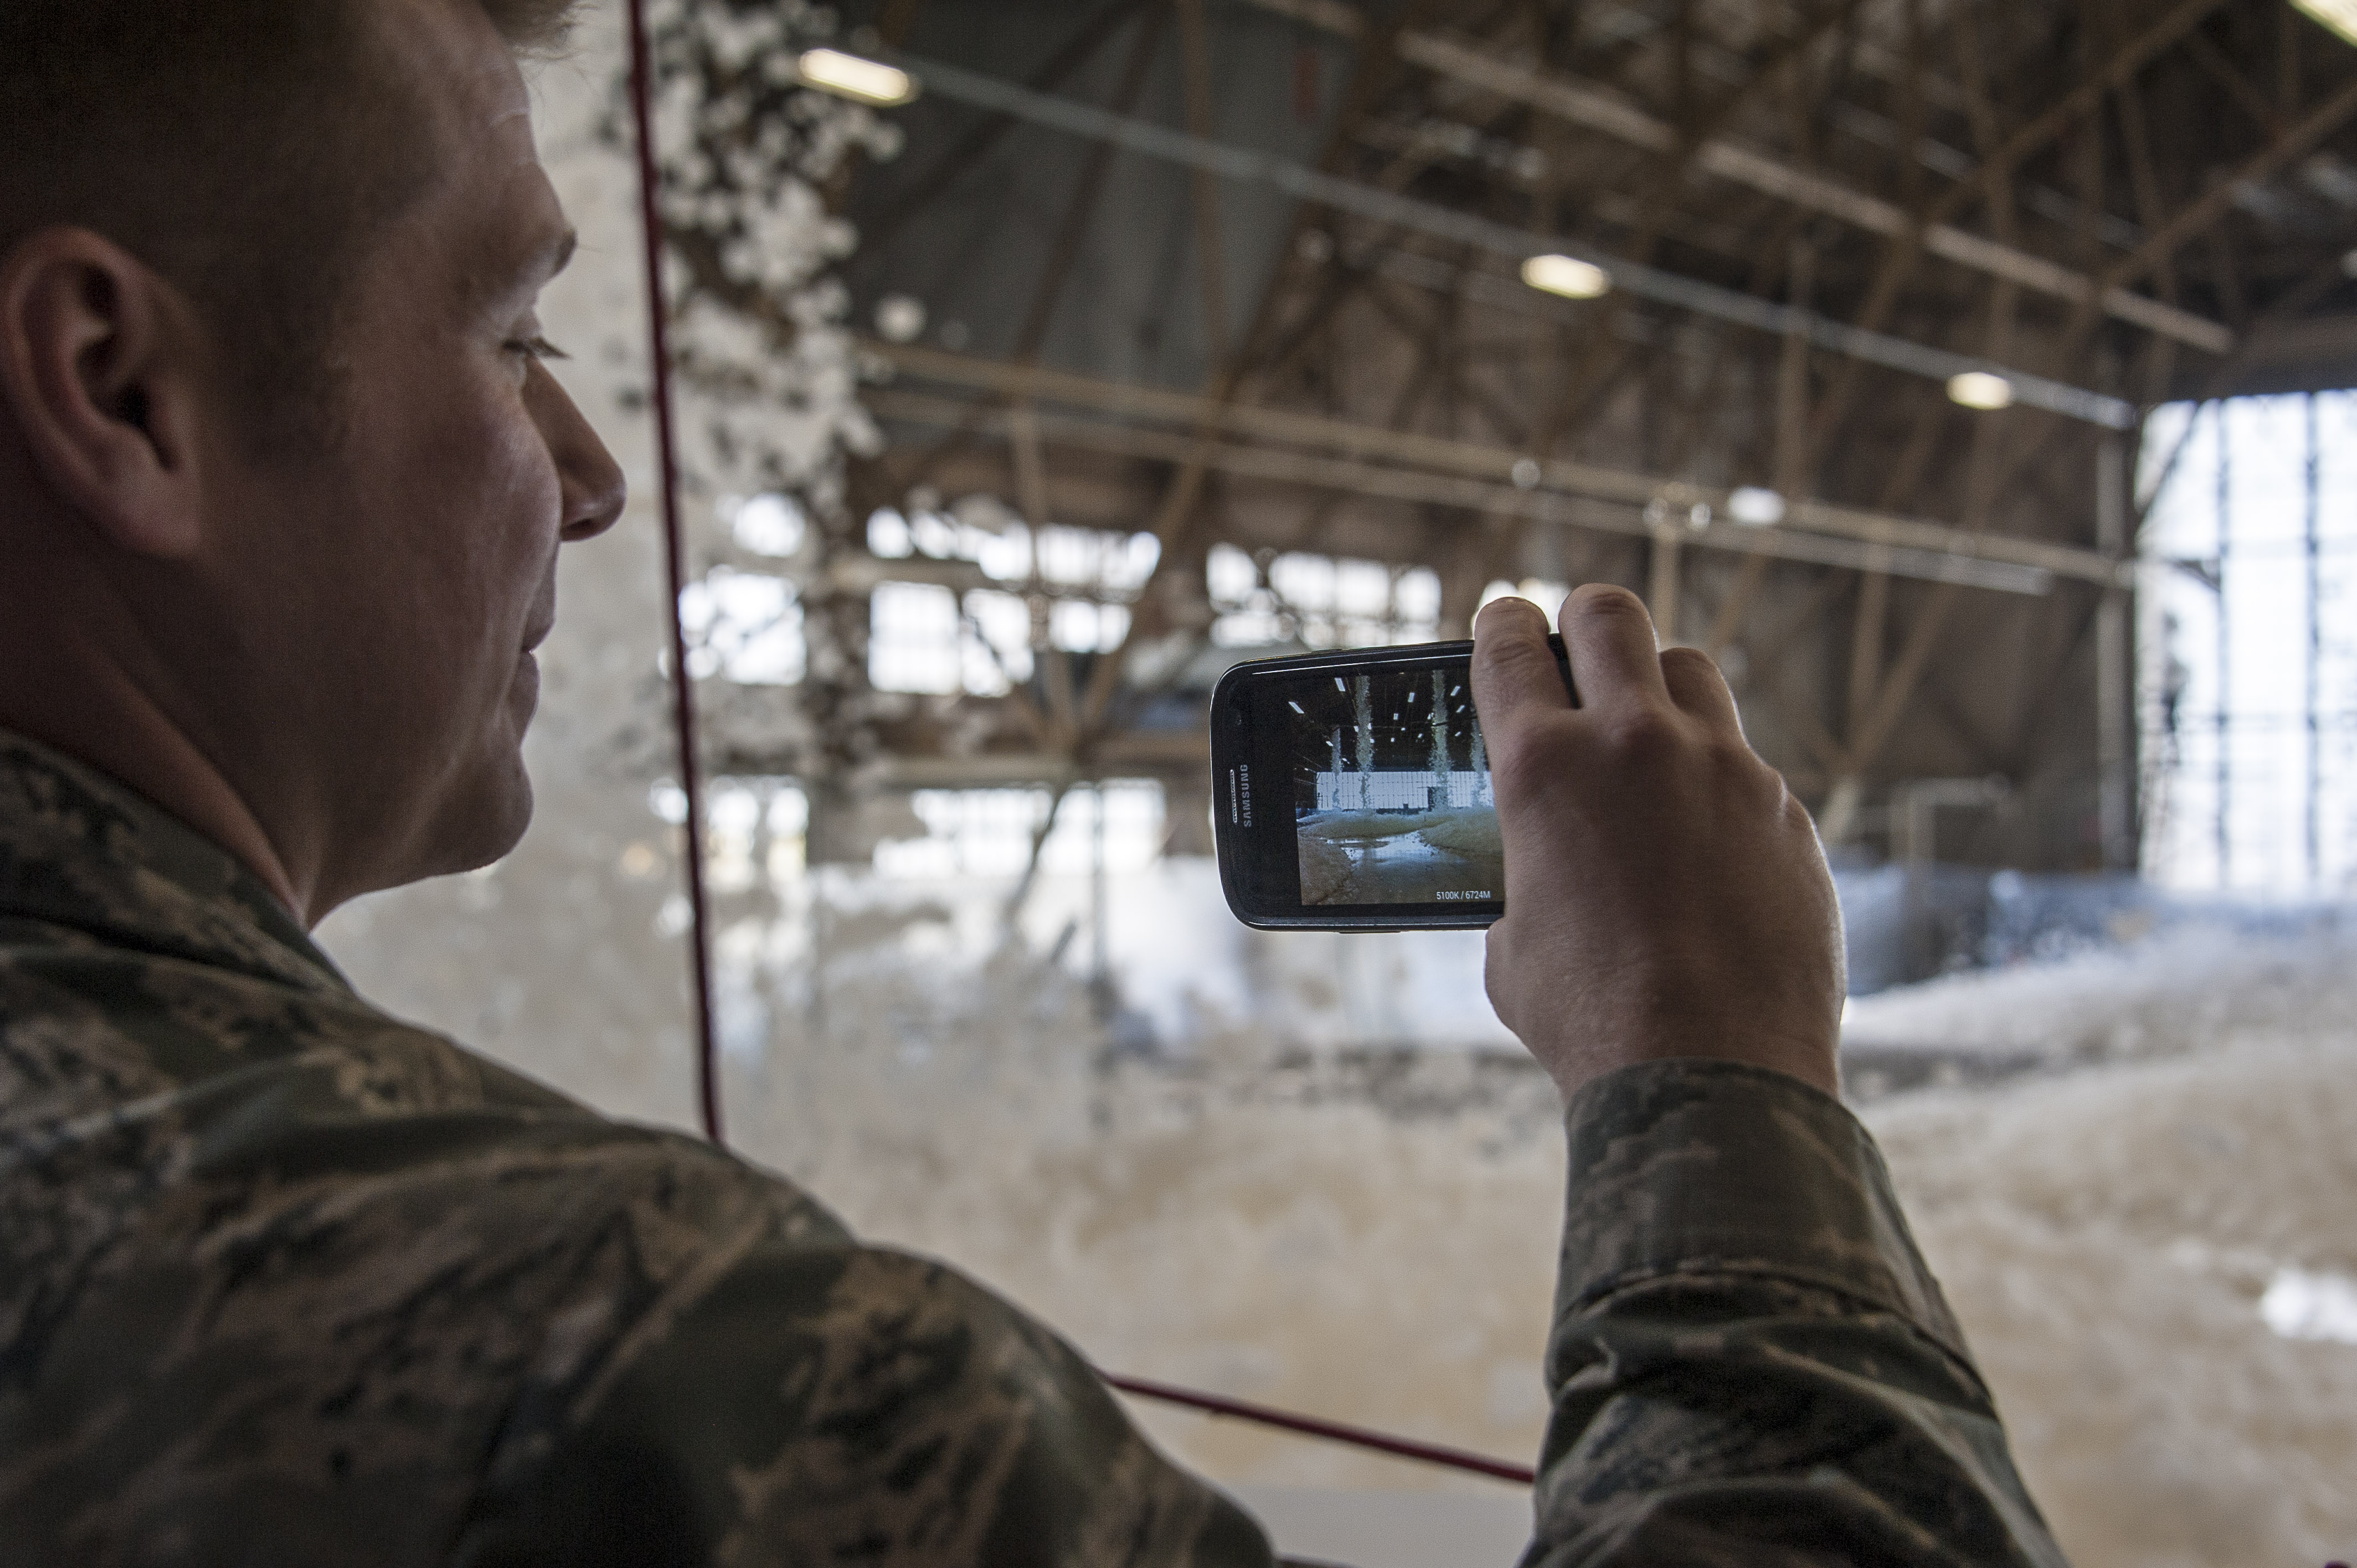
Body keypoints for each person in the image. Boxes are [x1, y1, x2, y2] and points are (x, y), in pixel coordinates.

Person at [0, 1, 2067, 1562]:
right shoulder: (661, 1367)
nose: (597, 475)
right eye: (515, 336)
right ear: (119, 388)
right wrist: (1716, 1074)